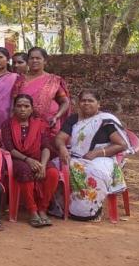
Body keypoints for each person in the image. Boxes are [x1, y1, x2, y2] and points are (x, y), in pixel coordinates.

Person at [55, 90, 132, 221]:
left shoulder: (105, 121)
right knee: (54, 165)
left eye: (90, 100)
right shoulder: (73, 119)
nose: (86, 103)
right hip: (76, 156)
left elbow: (121, 145)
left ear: (98, 104)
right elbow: (60, 138)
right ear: (79, 104)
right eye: (83, 101)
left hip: (102, 158)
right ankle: (61, 207)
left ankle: (89, 211)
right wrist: (62, 147)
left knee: (93, 172)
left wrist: (97, 153)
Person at [0, 95, 60, 227]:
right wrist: (28, 160)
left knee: (53, 173)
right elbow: (10, 148)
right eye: (19, 106)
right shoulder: (7, 124)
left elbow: (46, 147)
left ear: (32, 109)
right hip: (18, 159)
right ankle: (32, 211)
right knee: (25, 171)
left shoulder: (39, 124)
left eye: (26, 106)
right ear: (14, 108)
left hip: (39, 158)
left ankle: (43, 209)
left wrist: (43, 165)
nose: (22, 109)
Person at [13, 47, 70, 132]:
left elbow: (65, 102)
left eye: (38, 58)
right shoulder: (20, 80)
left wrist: (56, 117)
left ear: (45, 61)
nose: (34, 60)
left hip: (50, 124)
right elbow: (13, 103)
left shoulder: (53, 80)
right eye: (32, 58)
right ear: (28, 61)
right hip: (25, 125)